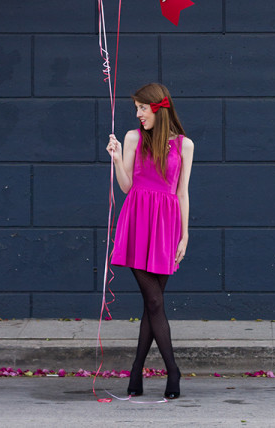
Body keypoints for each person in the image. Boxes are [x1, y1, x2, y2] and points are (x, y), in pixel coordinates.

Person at [106, 82, 194, 400]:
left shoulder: (184, 145)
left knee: (151, 304)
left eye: (142, 108)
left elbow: (182, 192)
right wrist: (117, 159)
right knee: (154, 301)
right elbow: (128, 186)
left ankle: (136, 371)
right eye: (136, 108)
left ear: (158, 108)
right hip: (137, 222)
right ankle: (173, 370)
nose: (138, 114)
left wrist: (185, 234)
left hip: (167, 226)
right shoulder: (133, 138)